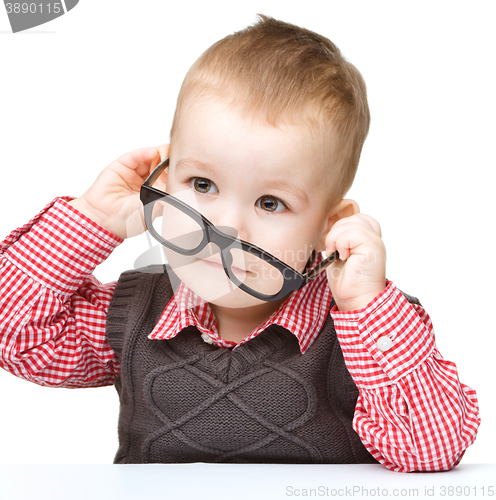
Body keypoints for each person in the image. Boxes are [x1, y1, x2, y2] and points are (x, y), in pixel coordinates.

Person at [0, 15, 479, 471]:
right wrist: (94, 220)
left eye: (270, 203)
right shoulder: (131, 315)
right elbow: (13, 336)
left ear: (328, 226)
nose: (225, 228)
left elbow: (431, 449)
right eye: (202, 184)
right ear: (163, 183)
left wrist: (367, 307)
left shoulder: (366, 333)